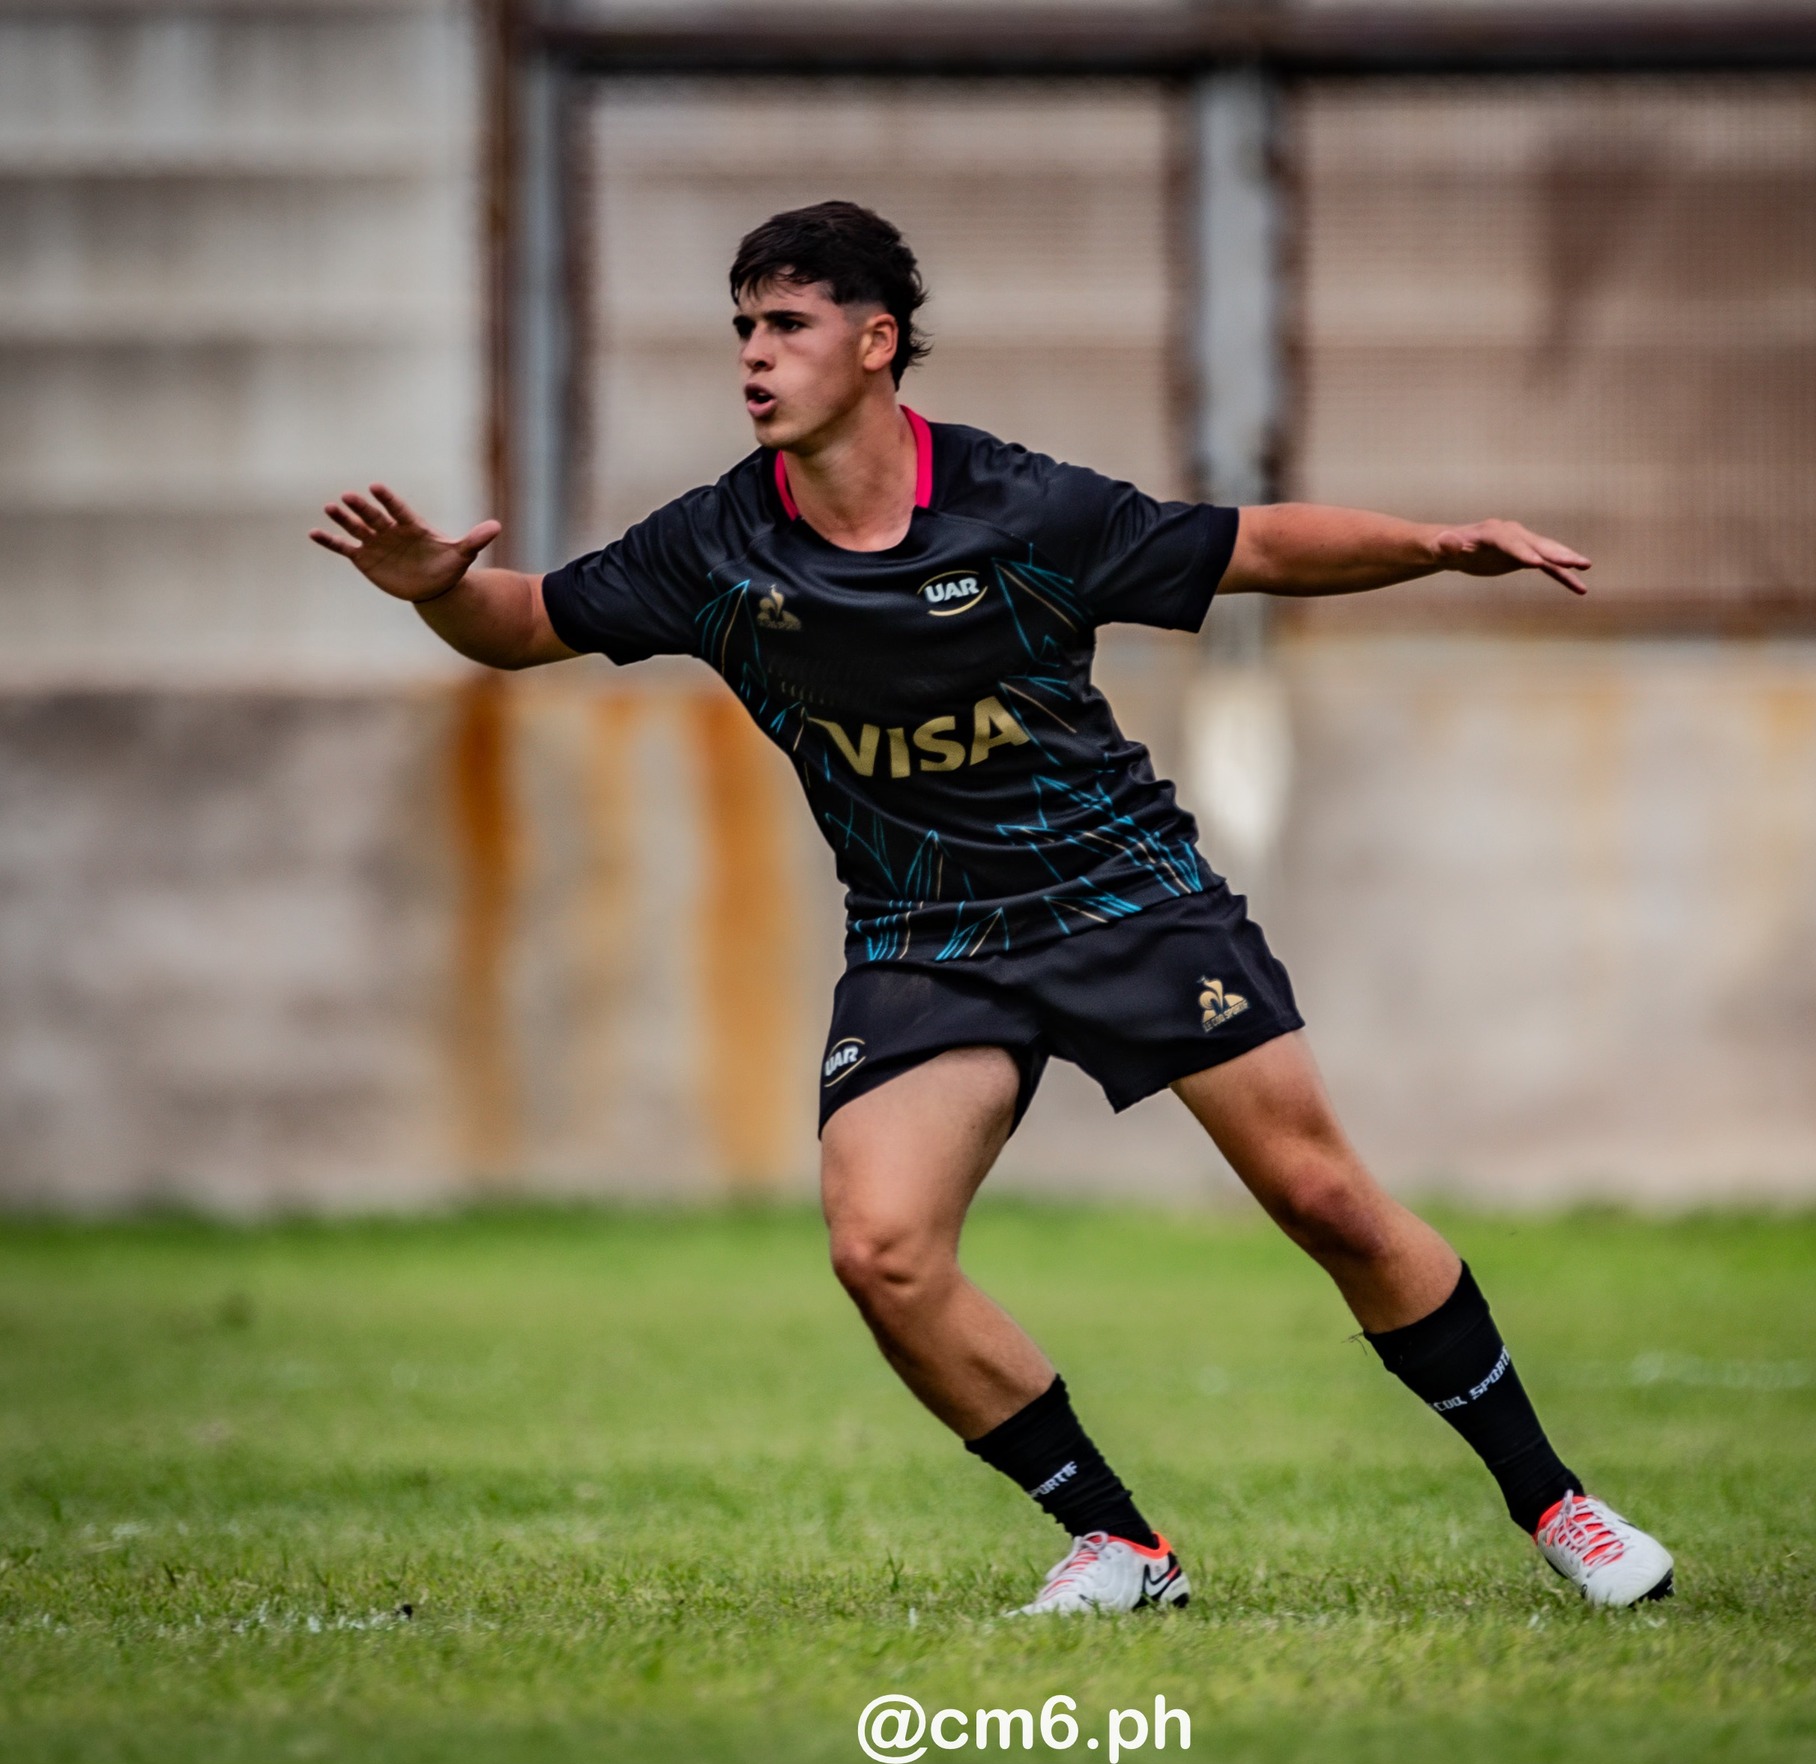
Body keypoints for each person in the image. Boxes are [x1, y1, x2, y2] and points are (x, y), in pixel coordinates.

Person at [311, 199, 1673, 1616]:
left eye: (787, 326)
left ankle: (1558, 1507)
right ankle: (1120, 1546)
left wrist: (1438, 547)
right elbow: (523, 623)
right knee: (882, 1250)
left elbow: (1250, 544)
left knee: (1325, 1196)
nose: (754, 359)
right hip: (927, 937)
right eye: (742, 331)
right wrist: (434, 596)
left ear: (876, 342)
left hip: (1122, 894)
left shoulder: (1021, 508)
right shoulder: (718, 547)